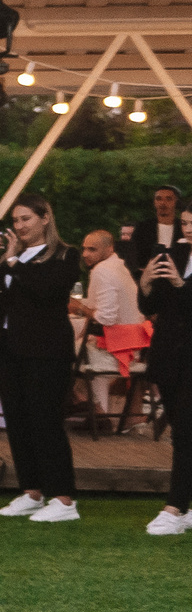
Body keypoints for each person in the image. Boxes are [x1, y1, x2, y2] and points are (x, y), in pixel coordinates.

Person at [0, 194, 82, 522]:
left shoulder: (66, 255)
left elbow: (46, 291)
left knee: (45, 420)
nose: (19, 226)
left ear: (45, 218)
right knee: (18, 420)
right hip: (7, 348)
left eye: (25, 219)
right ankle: (32, 491)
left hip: (45, 350)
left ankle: (64, 499)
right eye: (15, 221)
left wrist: (13, 262)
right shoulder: (14, 256)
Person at [136, 238, 192, 535]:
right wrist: (145, 285)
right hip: (169, 356)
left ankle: (175, 506)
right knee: (181, 430)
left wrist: (181, 285)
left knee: (184, 430)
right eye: (185, 223)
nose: (189, 229)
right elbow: (152, 306)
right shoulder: (177, 255)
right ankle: (182, 508)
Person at [72, 228, 147, 423]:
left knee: (57, 352)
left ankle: (95, 410)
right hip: (134, 347)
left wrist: (78, 307)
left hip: (117, 352)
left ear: (109, 249)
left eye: (92, 249)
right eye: (84, 249)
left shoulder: (102, 271)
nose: (85, 254)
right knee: (76, 347)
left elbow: (106, 319)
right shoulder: (119, 267)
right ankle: (91, 407)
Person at [122, 184, 184, 276]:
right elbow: (134, 256)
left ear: (176, 202)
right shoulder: (143, 228)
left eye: (168, 199)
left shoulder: (183, 228)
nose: (163, 203)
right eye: (159, 199)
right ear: (154, 202)